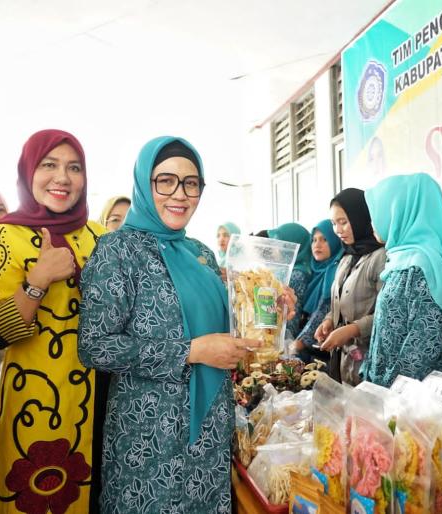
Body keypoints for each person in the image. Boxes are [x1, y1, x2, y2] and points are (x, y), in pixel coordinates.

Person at [77, 136, 296, 514]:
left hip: (208, 431)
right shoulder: (118, 250)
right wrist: (190, 351)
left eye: (191, 183)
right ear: (145, 184)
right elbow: (95, 346)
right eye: (166, 181)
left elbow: (231, 330)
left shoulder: (201, 254)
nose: (180, 194)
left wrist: (268, 311)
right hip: (149, 437)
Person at [0, 129, 107, 514]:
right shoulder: (3, 237)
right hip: (35, 403)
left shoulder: (100, 236)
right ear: (28, 171)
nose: (62, 177)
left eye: (74, 168)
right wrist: (38, 281)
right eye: (49, 165)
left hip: (100, 398)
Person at [361, 173, 442, 387]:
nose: (372, 223)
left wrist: (388, 391)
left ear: (398, 212)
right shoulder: (400, 261)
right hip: (386, 390)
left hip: (408, 397)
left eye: (378, 212)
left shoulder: (422, 267)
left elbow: (422, 348)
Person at [314, 188, 386, 385]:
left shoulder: (380, 257)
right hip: (344, 361)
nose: (338, 230)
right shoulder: (347, 257)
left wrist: (352, 329)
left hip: (370, 360)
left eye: (343, 222)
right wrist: (329, 321)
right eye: (334, 223)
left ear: (360, 217)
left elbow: (387, 313)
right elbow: (339, 300)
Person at [294, 219, 344, 364]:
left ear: (335, 241)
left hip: (325, 350)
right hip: (308, 349)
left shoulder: (334, 271)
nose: (317, 245)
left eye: (324, 239)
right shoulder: (313, 271)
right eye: (314, 240)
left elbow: (322, 311)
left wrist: (298, 343)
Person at [268, 222, 312, 337]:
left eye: (279, 244)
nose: (273, 249)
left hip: (285, 333)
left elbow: (291, 314)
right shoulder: (285, 270)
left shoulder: (297, 274)